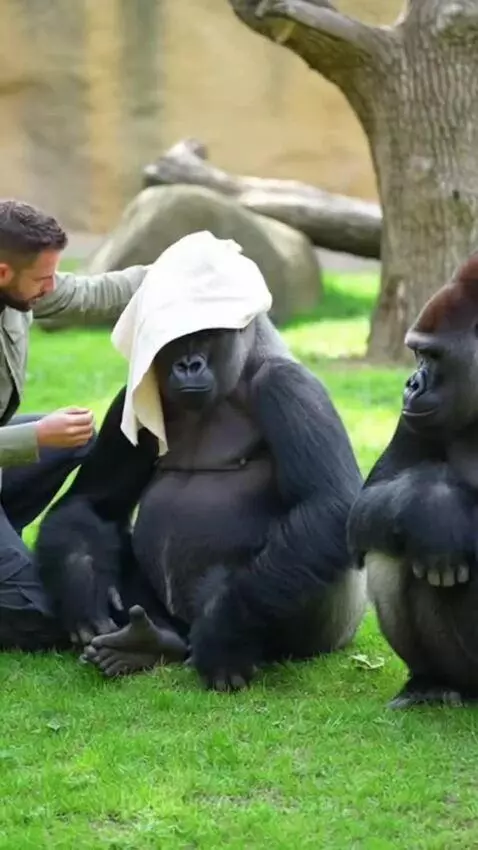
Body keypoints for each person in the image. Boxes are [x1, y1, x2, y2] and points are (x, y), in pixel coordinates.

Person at [0, 199, 150, 650]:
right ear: (3, 273)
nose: (51, 287)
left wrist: (180, 269)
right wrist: (35, 436)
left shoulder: (19, 292)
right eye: (42, 279)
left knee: (78, 441)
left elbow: (87, 293)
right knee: (44, 617)